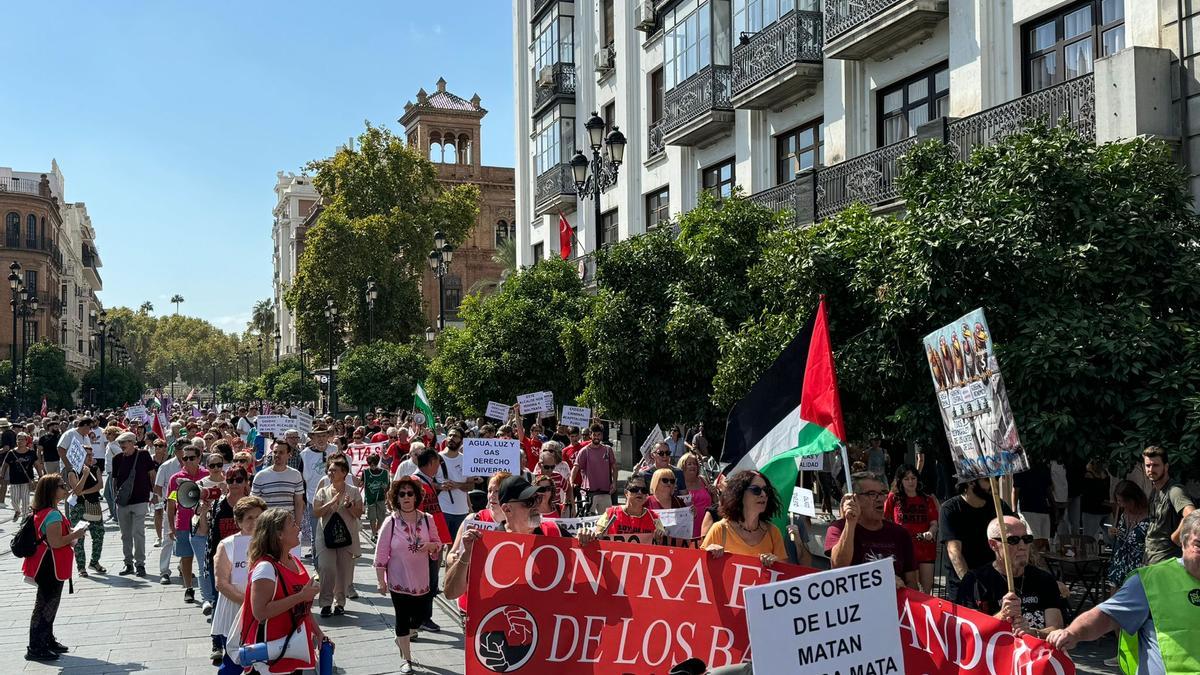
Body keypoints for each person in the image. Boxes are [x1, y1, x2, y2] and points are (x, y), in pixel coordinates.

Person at [1047, 510, 1200, 674]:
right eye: (1198, 545)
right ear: (1183, 543)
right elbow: (1106, 616)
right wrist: (1073, 633)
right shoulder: (1153, 580)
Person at [237, 507, 327, 674]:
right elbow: (260, 612)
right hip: (270, 656)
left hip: (292, 650)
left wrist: (319, 633)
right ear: (279, 534)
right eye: (292, 524)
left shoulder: (294, 561)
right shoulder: (265, 568)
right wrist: (301, 596)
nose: (298, 528)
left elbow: (303, 608)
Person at [446, 475, 562, 600]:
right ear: (507, 509)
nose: (536, 506)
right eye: (529, 502)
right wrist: (465, 556)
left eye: (537, 499)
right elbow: (451, 593)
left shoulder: (554, 532)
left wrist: (585, 542)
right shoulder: (484, 544)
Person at [374, 476, 443, 674]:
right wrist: (381, 580)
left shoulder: (428, 520)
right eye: (402, 494)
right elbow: (381, 552)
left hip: (422, 581)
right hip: (398, 580)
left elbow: (439, 544)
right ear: (397, 498)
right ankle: (407, 659)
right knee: (402, 619)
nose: (406, 497)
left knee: (418, 619)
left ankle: (404, 636)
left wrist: (431, 546)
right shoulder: (391, 522)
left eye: (410, 493)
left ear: (416, 497)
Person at [956, 516, 1065, 639]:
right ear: (993, 545)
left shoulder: (1044, 579)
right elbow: (967, 631)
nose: (1022, 546)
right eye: (1013, 540)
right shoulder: (975, 581)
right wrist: (1001, 616)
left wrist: (1033, 633)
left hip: (1033, 654)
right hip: (995, 654)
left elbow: (1056, 628)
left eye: (1026, 539)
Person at [23, 474, 85, 662]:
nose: (65, 487)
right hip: (50, 565)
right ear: (51, 490)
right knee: (45, 605)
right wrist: (77, 534)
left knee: (48, 604)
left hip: (50, 564)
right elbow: (56, 542)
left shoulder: (48, 511)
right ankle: (36, 646)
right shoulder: (52, 514)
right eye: (61, 485)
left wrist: (71, 534)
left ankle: (47, 640)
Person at [826, 472, 919, 589]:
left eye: (882, 493)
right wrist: (850, 523)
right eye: (872, 494)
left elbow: (912, 583)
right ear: (853, 500)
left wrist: (901, 590)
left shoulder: (900, 534)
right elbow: (838, 567)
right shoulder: (838, 528)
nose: (880, 499)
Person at [210, 495, 265, 673]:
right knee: (235, 662)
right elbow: (221, 584)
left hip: (264, 611)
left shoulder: (270, 543)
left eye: (259, 517)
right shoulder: (226, 545)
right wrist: (248, 603)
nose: (255, 522)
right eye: (249, 518)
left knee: (261, 660)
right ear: (239, 521)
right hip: (236, 611)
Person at [941, 477, 1014, 596]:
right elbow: (954, 552)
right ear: (971, 482)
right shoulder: (950, 509)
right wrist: (971, 585)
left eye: (995, 479)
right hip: (964, 584)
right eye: (987, 480)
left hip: (996, 580)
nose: (993, 483)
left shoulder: (999, 506)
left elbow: (1017, 536)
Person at [701, 471, 786, 568]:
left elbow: (785, 573)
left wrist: (776, 564)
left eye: (766, 490)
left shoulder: (773, 532)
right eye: (756, 490)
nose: (763, 494)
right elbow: (700, 568)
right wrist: (709, 554)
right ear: (740, 493)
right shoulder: (720, 529)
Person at [313, 456, 362, 617]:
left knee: (343, 571)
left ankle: (339, 602)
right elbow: (316, 512)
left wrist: (349, 506)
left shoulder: (353, 491)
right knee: (327, 568)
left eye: (334, 470)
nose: (330, 473)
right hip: (325, 537)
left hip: (346, 537)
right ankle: (325, 603)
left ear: (344, 473)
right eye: (329, 470)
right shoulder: (322, 491)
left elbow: (358, 513)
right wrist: (330, 503)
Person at [883, 464, 939, 593]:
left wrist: (930, 533)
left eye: (913, 478)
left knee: (926, 590)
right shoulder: (893, 498)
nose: (910, 482)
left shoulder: (927, 499)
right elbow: (885, 519)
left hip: (925, 548)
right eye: (906, 479)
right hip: (903, 549)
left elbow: (934, 523)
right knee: (910, 589)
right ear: (900, 481)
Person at [110, 430, 157, 577]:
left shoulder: (143, 455)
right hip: (123, 502)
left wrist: (154, 493)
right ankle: (128, 563)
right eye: (120, 443)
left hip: (140, 499)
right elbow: (114, 480)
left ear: (132, 442)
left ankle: (140, 564)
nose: (121, 445)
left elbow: (152, 475)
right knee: (125, 535)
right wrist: (114, 499)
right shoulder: (117, 459)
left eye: (124, 442)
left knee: (138, 532)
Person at [166, 445, 207, 604]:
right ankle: (189, 588)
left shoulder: (206, 474)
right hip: (183, 524)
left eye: (191, 457)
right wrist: (171, 526)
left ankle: (208, 588)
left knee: (205, 558)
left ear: (199, 458)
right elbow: (171, 505)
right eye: (185, 458)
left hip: (204, 524)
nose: (188, 461)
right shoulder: (175, 479)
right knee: (186, 558)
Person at [1141, 446, 1195, 565]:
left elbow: (1192, 515)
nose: (1151, 469)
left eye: (1156, 465)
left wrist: (1175, 537)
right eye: (1148, 465)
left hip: (1166, 561)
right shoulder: (1155, 491)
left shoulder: (1175, 490)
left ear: (1166, 467)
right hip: (1150, 558)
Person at [192, 452, 227, 615]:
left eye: (218, 465)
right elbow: (195, 509)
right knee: (204, 566)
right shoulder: (200, 483)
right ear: (206, 467)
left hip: (223, 529)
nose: (215, 468)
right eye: (212, 465)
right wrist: (204, 506)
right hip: (203, 528)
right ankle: (207, 599)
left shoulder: (230, 482)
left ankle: (220, 596)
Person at [66, 450, 105, 576]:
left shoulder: (95, 469)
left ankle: (94, 561)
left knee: (99, 534)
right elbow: (77, 490)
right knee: (79, 537)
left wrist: (85, 492)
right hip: (79, 508)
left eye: (91, 454)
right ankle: (81, 567)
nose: (90, 457)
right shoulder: (73, 472)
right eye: (87, 455)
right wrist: (84, 475)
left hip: (93, 505)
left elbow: (100, 485)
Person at [1107, 480, 1151, 591]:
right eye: (1118, 501)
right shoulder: (1123, 514)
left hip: (1137, 567)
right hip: (1119, 563)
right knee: (1114, 603)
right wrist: (1112, 533)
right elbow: (1120, 538)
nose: (1121, 505)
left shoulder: (1149, 516)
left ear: (1133, 499)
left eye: (1123, 501)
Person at [571, 424, 618, 515]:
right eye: (594, 435)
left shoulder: (608, 450)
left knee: (606, 519)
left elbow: (614, 467)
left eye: (599, 434)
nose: (596, 437)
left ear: (602, 435)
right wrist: (571, 482)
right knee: (588, 520)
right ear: (590, 435)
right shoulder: (584, 451)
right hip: (589, 493)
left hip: (605, 491)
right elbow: (575, 467)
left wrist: (614, 483)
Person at [1012, 461, 1055, 557]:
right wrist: (1014, 510)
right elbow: (1016, 490)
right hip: (1031, 509)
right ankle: (1037, 565)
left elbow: (1015, 490)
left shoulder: (1040, 466)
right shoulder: (1021, 467)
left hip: (1039, 509)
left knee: (1041, 542)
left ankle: (1041, 566)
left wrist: (1053, 506)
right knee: (1036, 543)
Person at [437, 427, 471, 541]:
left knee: (454, 547)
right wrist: (439, 486)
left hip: (461, 510)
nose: (451, 438)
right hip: (441, 509)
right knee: (439, 544)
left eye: (455, 436)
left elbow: (471, 486)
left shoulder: (466, 460)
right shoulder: (436, 458)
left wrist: (457, 485)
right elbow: (426, 481)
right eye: (450, 435)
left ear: (461, 441)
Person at [5, 431, 41, 521]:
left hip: (26, 480)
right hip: (14, 480)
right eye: (18, 439)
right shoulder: (11, 453)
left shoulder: (31, 453)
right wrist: (1, 475)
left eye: (22, 439)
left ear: (26, 441)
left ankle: (24, 519)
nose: (19, 441)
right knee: (14, 500)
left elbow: (37, 464)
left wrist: (40, 475)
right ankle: (17, 510)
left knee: (25, 501)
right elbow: (5, 465)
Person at [678, 452, 715, 538]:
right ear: (682, 467)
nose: (693, 466)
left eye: (694, 464)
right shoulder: (679, 484)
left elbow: (714, 502)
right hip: (689, 527)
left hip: (708, 523)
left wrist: (713, 493)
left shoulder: (703, 479)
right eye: (689, 464)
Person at [362, 453, 390, 537]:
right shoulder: (366, 472)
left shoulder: (384, 473)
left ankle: (377, 530)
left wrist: (385, 488)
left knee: (381, 517)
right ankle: (374, 533)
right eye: (370, 464)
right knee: (372, 517)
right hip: (370, 499)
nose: (372, 465)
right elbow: (361, 482)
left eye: (374, 463)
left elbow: (388, 486)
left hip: (381, 498)